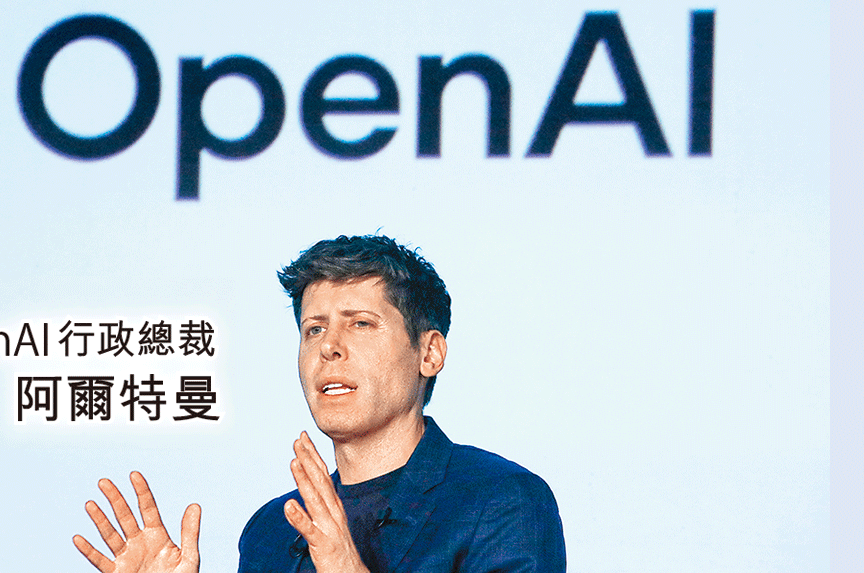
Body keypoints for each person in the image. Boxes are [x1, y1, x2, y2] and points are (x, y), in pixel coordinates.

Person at [73, 235, 566, 573]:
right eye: (313, 329)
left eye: (360, 323)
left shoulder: (501, 503)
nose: (329, 346)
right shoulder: (271, 531)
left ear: (429, 353)